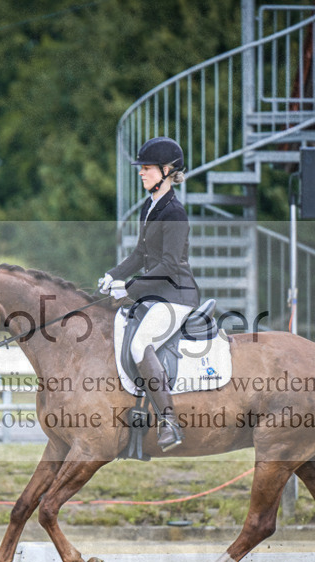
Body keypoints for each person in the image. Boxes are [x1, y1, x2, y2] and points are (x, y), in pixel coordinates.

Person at [98, 136, 199, 452]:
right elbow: (141, 254)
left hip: (177, 295)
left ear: (167, 170)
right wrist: (113, 275)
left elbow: (169, 265)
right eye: (141, 168)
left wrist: (128, 288)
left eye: (147, 168)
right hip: (156, 294)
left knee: (142, 344)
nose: (141, 172)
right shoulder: (151, 205)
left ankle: (169, 422)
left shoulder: (175, 213)